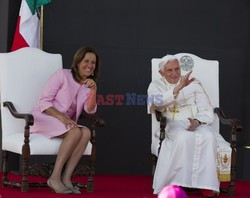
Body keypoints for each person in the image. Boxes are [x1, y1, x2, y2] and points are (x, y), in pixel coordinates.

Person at [147, 55, 230, 197]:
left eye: (177, 69)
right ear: (161, 73)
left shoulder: (193, 83)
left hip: (195, 122)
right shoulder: (156, 85)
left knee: (209, 136)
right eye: (169, 70)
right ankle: (179, 183)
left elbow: (206, 109)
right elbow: (157, 103)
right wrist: (178, 88)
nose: (174, 73)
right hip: (172, 124)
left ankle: (206, 185)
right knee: (184, 137)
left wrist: (197, 121)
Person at [30, 46, 100, 194]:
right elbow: (44, 101)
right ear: (78, 62)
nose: (89, 65)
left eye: (93, 62)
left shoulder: (88, 85)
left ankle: (66, 178)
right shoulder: (62, 75)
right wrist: (62, 117)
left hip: (65, 123)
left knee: (86, 132)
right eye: (86, 61)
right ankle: (54, 177)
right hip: (45, 117)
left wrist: (93, 91)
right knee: (75, 132)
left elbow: (90, 110)